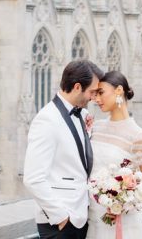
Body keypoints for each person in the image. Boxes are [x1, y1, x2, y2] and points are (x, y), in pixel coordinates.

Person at [23, 60, 104, 239]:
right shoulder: (46, 120)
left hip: (81, 216)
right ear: (77, 87)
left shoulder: (81, 115)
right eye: (91, 91)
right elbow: (33, 178)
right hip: (59, 223)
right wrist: (60, 216)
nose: (93, 97)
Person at [86, 71, 142, 239]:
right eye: (95, 94)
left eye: (101, 93)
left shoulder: (138, 137)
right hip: (92, 216)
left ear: (118, 91)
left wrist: (125, 199)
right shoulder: (95, 127)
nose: (97, 99)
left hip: (122, 220)